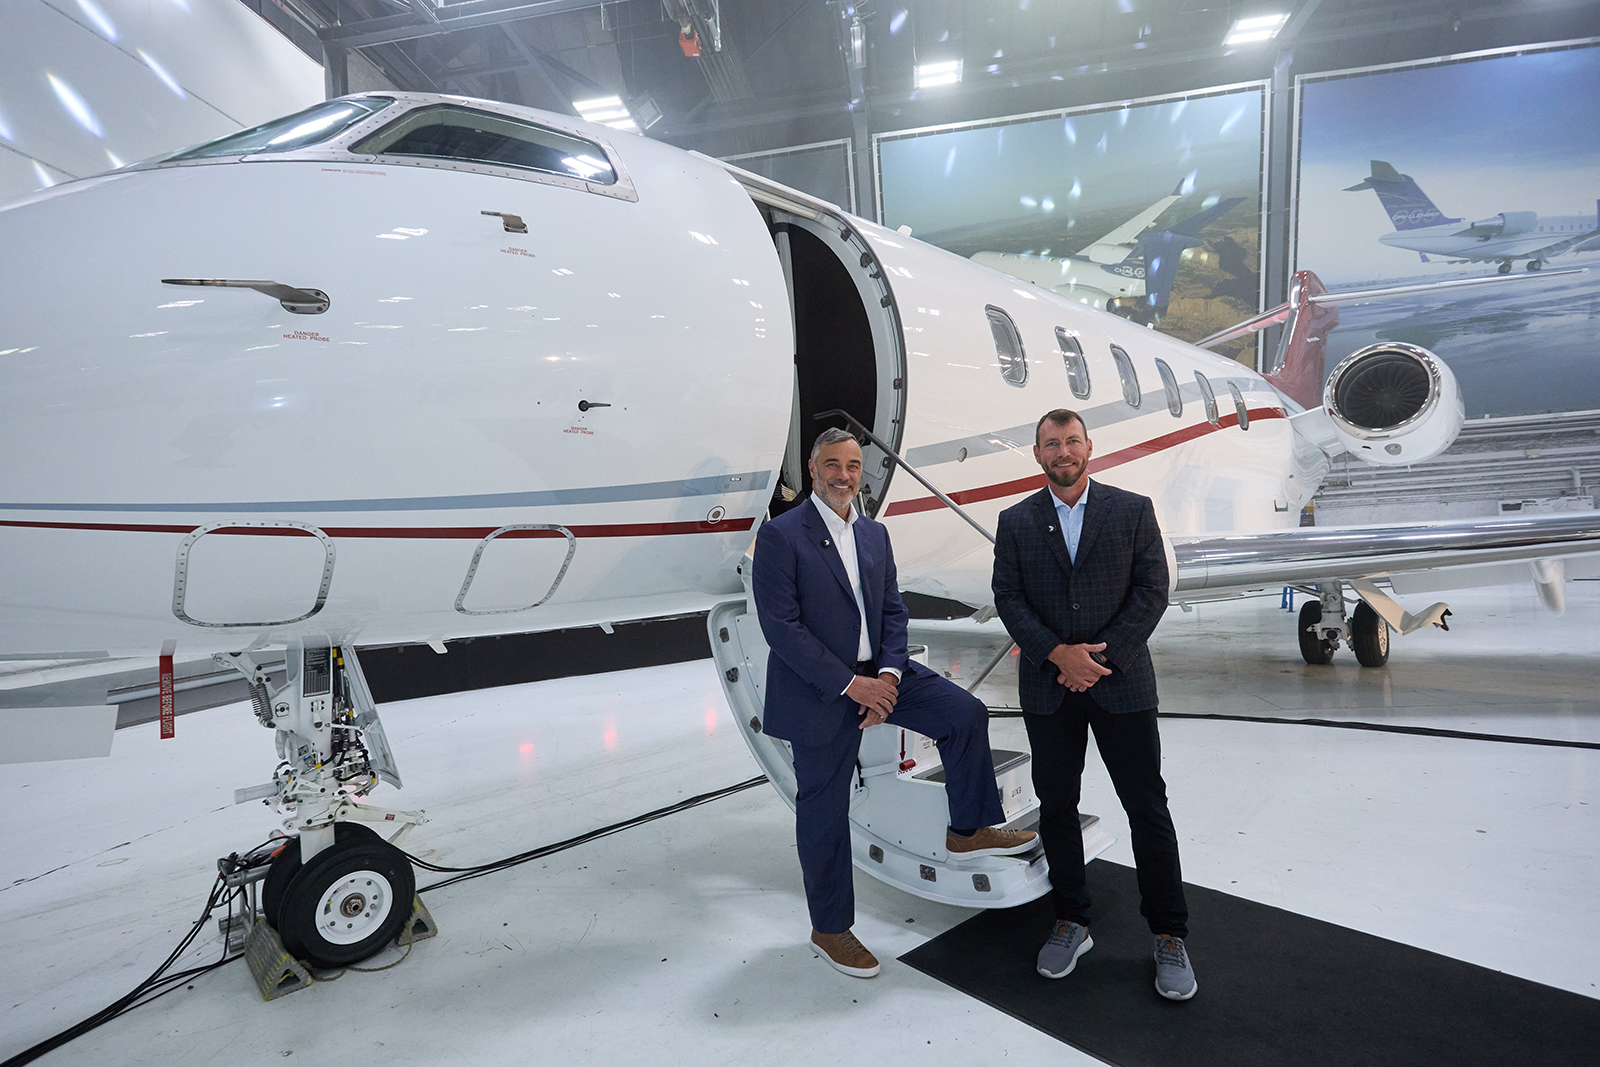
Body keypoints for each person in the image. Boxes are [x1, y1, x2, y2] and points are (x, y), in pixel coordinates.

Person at [754, 427, 1037, 979]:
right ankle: (829, 929)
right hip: (820, 688)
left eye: (852, 466)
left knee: (964, 714)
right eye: (832, 465)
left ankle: (968, 830)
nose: (843, 475)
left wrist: (886, 675)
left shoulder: (874, 534)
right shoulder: (781, 535)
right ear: (812, 469)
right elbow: (782, 629)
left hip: (882, 673)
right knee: (824, 810)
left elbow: (892, 611)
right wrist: (852, 685)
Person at [990, 409, 1198, 1001]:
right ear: (1038, 454)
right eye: (1051, 443)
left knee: (1146, 808)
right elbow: (1008, 595)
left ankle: (1169, 934)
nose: (1063, 451)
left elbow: (1152, 589)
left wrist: (1098, 660)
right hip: (1050, 686)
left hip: (1121, 682)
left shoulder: (1131, 510)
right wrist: (1058, 654)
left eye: (1072, 441)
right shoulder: (1016, 521)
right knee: (1057, 808)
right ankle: (1071, 920)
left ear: (1089, 447)